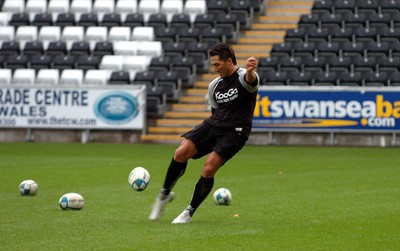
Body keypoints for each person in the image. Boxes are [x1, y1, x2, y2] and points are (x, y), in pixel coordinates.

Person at [149, 43, 260, 224]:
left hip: (236, 131)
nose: (214, 68)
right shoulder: (214, 86)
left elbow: (251, 80)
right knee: (181, 152)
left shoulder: (243, 77)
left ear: (229, 61)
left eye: (217, 64)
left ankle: (188, 212)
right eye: (213, 64)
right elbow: (215, 112)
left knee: (209, 168)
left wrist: (250, 70)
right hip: (214, 125)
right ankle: (164, 195)